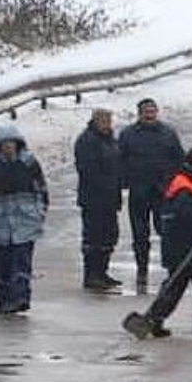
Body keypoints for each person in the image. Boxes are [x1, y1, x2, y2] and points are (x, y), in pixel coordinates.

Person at [122, 146, 192, 339]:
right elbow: (182, 212)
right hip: (189, 248)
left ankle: (156, 320)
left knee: (176, 286)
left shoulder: (191, 181)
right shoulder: (183, 184)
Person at [0, 123, 49, 315]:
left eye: (11, 144)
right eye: (4, 144)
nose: (8, 147)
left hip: (25, 221)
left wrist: (39, 214)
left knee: (23, 261)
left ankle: (22, 297)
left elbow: (41, 191)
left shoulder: (29, 164)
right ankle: (5, 299)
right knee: (4, 264)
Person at [118, 98, 183, 290]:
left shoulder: (168, 133)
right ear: (139, 114)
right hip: (139, 191)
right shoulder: (128, 134)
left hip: (163, 191)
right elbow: (119, 160)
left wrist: (175, 184)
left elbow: (179, 159)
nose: (150, 115)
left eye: (153, 111)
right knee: (140, 234)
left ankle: (171, 269)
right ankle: (142, 269)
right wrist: (124, 182)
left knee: (166, 232)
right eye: (146, 112)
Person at [74, 108, 123, 290]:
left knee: (109, 236)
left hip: (110, 197)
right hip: (93, 198)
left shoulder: (111, 140)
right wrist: (105, 185)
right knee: (94, 237)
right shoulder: (87, 141)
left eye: (109, 121)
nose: (107, 124)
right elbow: (87, 170)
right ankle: (91, 274)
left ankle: (102, 272)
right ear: (95, 121)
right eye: (103, 121)